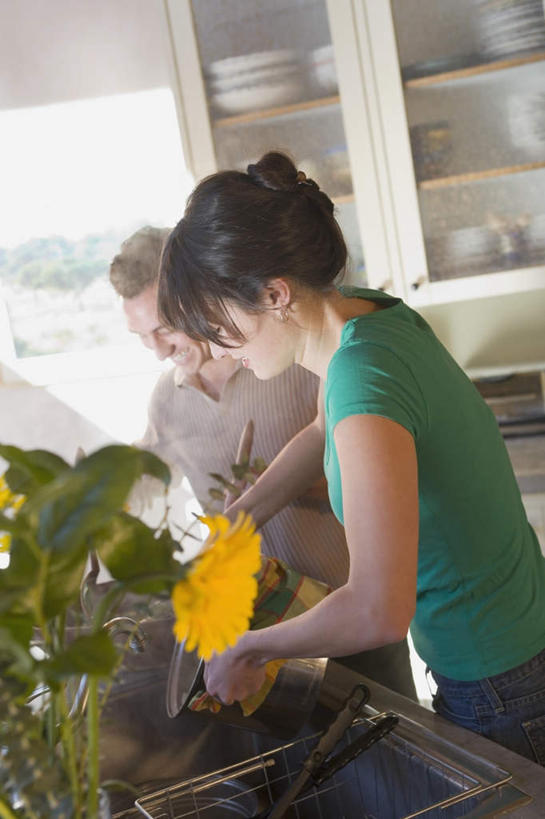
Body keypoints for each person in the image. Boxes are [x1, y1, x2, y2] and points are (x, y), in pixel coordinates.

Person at [157, 152, 545, 764]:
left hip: (501, 682)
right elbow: (321, 427)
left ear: (274, 293)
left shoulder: (364, 380)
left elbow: (377, 609)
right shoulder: (363, 319)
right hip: (517, 636)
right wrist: (247, 514)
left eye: (218, 324)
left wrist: (251, 649)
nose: (218, 351)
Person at [109, 225, 417, 699]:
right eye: (141, 336)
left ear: (195, 301)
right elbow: (147, 478)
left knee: (390, 750)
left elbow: (385, 470)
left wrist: (271, 492)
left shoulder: (296, 355)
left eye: (163, 328)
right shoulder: (166, 400)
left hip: (346, 611)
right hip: (256, 629)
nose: (157, 349)